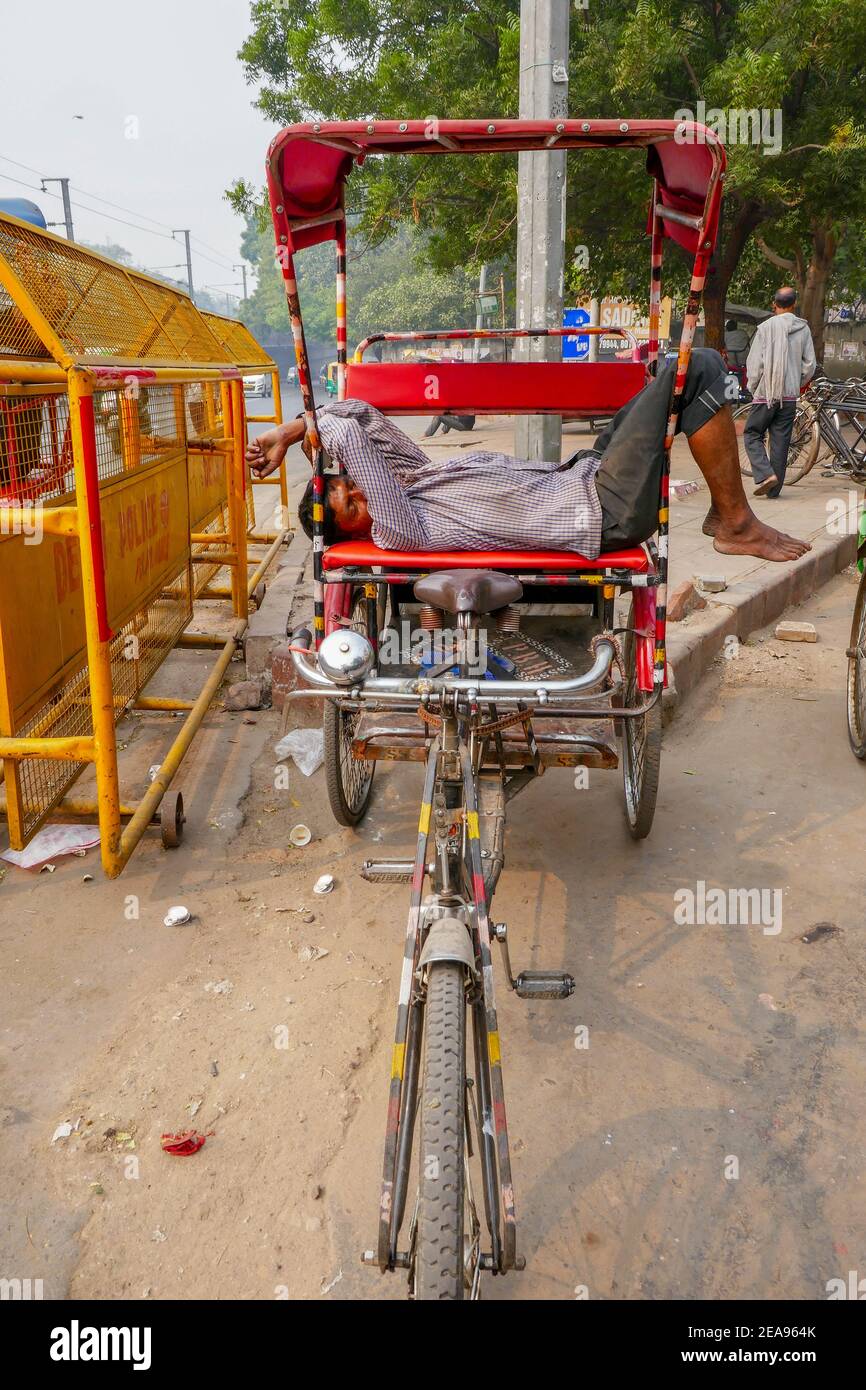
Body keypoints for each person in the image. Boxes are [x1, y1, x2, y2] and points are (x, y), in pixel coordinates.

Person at [246, 348, 809, 564]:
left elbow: (361, 415)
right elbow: (346, 441)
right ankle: (736, 523)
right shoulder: (399, 527)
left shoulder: (413, 482)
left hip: (583, 475)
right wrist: (298, 434)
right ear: (354, 532)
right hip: (601, 509)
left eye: (349, 486)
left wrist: (298, 424)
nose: (359, 492)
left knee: (669, 372)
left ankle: (723, 509)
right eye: (350, 507)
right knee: (702, 367)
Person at [743, 288, 816, 498]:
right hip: (790, 396)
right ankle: (774, 491)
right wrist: (795, 382)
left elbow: (755, 364)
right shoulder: (803, 328)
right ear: (794, 304)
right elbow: (809, 365)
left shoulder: (765, 328)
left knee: (752, 434)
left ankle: (766, 475)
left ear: (774, 304)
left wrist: (753, 387)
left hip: (766, 393)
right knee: (780, 441)